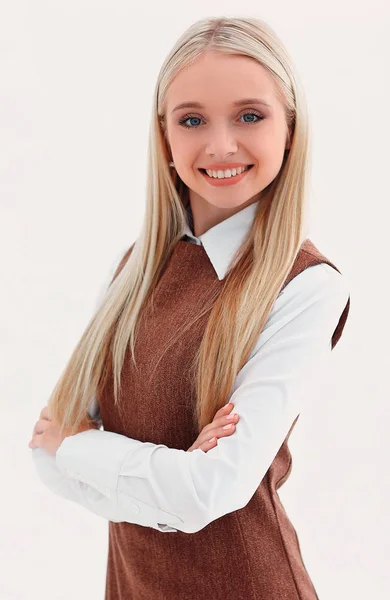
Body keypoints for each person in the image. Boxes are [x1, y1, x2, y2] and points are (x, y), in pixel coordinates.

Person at [29, 16, 350, 599]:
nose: (221, 144)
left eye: (250, 116)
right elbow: (46, 456)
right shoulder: (135, 269)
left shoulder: (304, 286)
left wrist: (83, 447)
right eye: (193, 119)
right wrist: (168, 478)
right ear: (165, 138)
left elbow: (209, 492)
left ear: (290, 130)